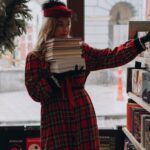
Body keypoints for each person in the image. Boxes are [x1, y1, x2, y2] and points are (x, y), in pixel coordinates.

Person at [25, 0, 150, 149]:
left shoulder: (79, 49)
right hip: (55, 115)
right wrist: (55, 79)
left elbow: (108, 57)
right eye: (60, 24)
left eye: (68, 24)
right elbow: (35, 93)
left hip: (81, 111)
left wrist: (140, 42)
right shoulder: (35, 56)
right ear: (49, 26)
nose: (65, 29)